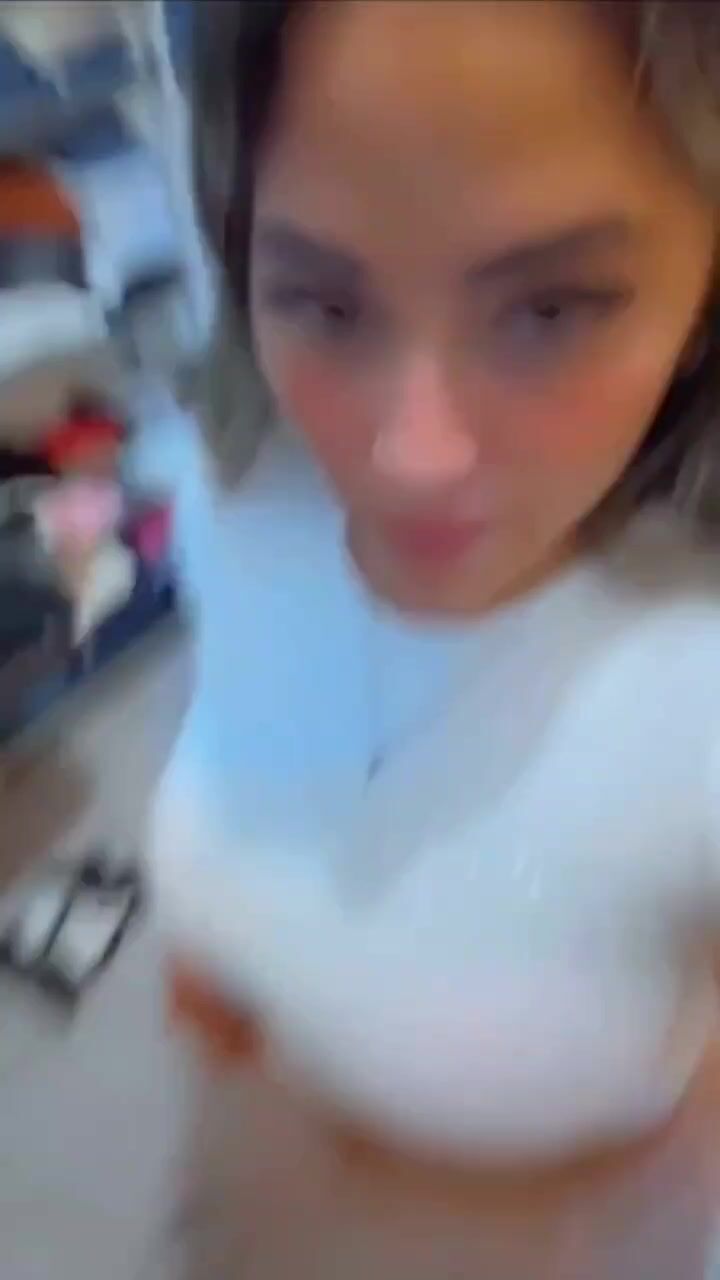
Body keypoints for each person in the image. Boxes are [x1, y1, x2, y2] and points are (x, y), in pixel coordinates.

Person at [151, 2, 720, 1275]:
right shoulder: (250, 499)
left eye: (552, 310)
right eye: (323, 302)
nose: (411, 458)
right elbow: (251, 767)